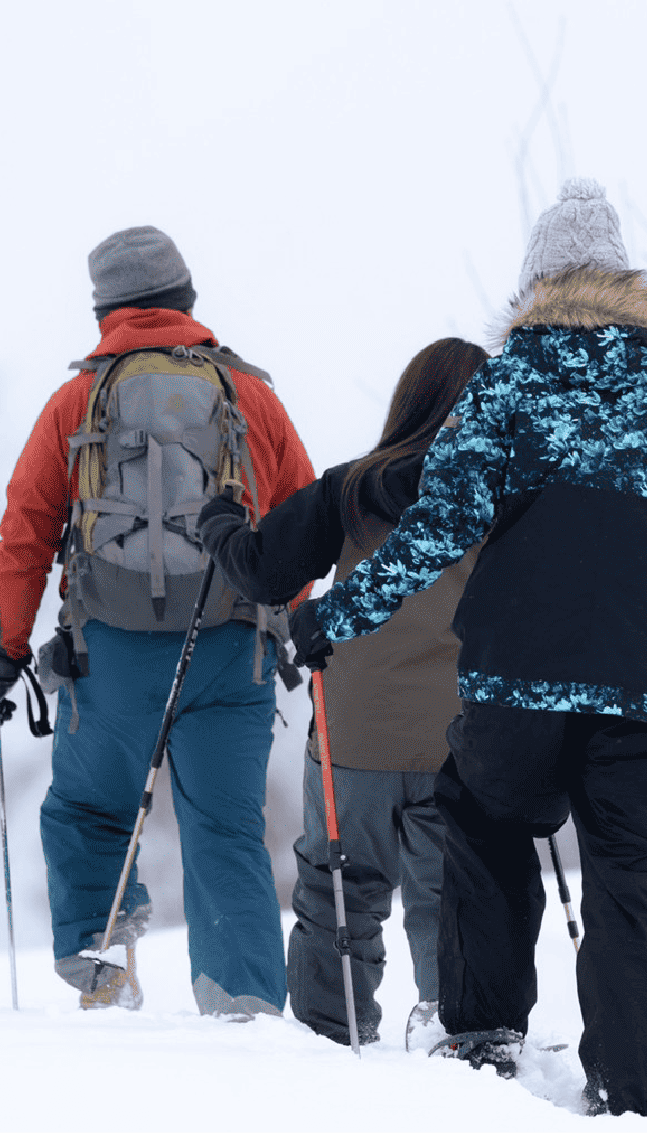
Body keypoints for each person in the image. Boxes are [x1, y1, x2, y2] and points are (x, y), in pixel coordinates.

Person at [288, 180, 647, 1117]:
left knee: (483, 824)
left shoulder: (503, 391)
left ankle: (480, 1044)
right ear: (625, 282)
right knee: (632, 878)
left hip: (518, 684)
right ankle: (633, 1090)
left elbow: (431, 534)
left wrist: (332, 618)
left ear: (535, 285)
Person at [0, 226, 315, 1017]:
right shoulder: (248, 395)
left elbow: (24, 532)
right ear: (186, 299)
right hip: (231, 653)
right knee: (226, 830)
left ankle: (105, 979)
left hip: (110, 657)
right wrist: (299, 626)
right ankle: (244, 1009)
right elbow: (302, 520)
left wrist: (1, 653)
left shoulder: (75, 403)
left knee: (90, 809)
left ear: (104, 312)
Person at [196, 337, 490, 1048]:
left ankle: (332, 1035)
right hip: (460, 734)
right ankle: (454, 1027)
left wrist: (220, 524)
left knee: (339, 888)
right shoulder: (498, 495)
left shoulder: (353, 487)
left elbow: (265, 573)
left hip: (353, 725)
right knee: (447, 893)